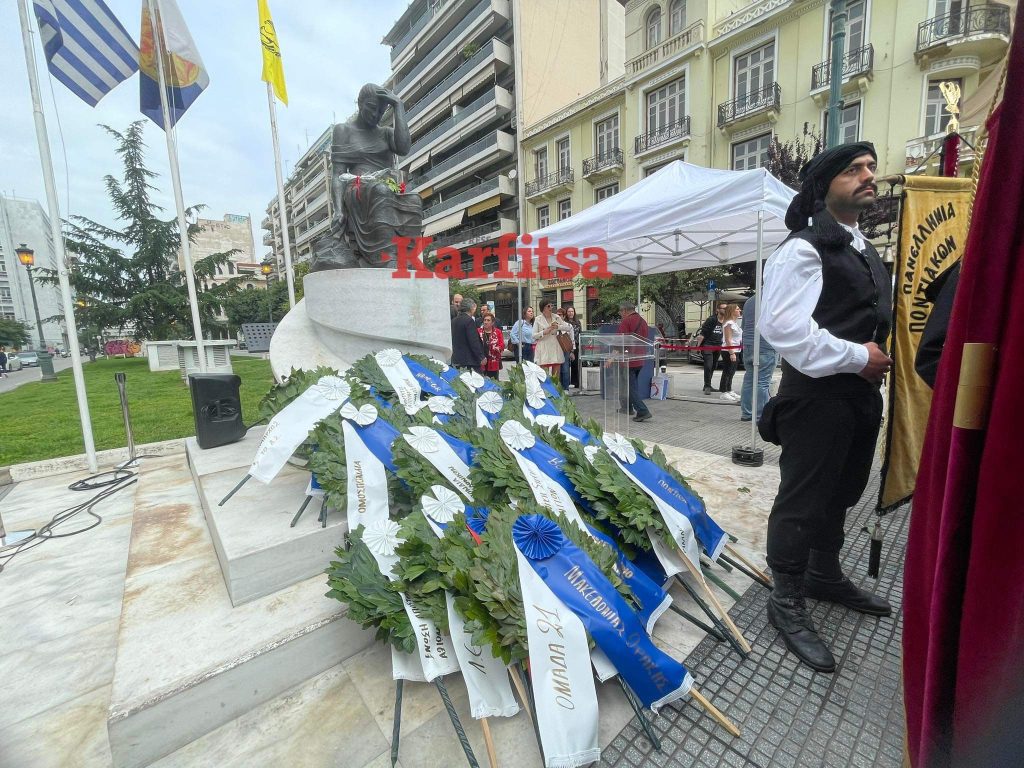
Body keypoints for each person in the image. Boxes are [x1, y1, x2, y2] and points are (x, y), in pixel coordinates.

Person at [759, 141, 893, 673]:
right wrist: (858, 355)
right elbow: (784, 329)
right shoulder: (804, 248)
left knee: (843, 490)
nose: (868, 176)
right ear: (824, 184)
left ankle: (824, 574)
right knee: (802, 500)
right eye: (855, 170)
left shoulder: (862, 248)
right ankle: (785, 598)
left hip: (858, 398)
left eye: (871, 169)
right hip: (816, 400)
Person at [608, 300, 652, 422]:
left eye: (620, 311)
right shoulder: (643, 321)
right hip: (639, 359)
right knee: (630, 385)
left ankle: (643, 411)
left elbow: (619, 342)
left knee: (629, 387)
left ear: (625, 310)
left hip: (627, 361)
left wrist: (611, 358)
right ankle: (626, 408)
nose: (620, 314)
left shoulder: (626, 321)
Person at [739, 294, 779, 422]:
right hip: (766, 345)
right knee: (762, 382)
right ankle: (760, 415)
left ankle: (746, 413)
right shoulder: (773, 298)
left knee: (749, 379)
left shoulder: (749, 301)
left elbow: (743, 325)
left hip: (749, 345)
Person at [695, 303, 727, 395]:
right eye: (724, 308)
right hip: (708, 345)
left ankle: (707, 385)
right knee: (708, 365)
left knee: (713, 366)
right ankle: (707, 386)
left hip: (718, 346)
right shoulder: (712, 319)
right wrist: (698, 347)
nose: (725, 310)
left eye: (727, 308)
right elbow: (703, 333)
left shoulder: (726, 320)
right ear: (718, 310)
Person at [533, 300, 571, 380]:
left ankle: (555, 391)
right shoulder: (538, 319)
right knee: (544, 376)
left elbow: (568, 328)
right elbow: (533, 335)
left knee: (556, 377)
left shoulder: (556, 317)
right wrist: (543, 332)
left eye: (551, 306)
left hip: (555, 346)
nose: (551, 308)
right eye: (548, 306)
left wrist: (558, 327)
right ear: (543, 308)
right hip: (543, 347)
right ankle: (545, 391)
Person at [450, 297, 486, 373]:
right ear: (472, 308)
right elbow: (473, 341)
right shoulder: (469, 321)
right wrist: (481, 357)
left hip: (457, 359)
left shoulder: (453, 321)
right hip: (469, 361)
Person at [718, 304, 742, 400]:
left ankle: (729, 389)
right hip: (729, 350)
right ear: (732, 311)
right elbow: (728, 339)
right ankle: (723, 392)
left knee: (732, 371)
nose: (739, 310)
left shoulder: (734, 323)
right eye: (737, 309)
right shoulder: (729, 323)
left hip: (736, 349)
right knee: (727, 371)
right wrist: (731, 352)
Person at [478, 312, 505, 379]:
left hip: (493, 361)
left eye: (488, 320)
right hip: (481, 360)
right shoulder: (478, 331)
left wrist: (498, 348)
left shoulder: (498, 332)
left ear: (492, 323)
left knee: (494, 381)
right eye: (484, 320)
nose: (486, 322)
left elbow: (502, 344)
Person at [564, 305, 583, 389]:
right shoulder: (565, 323)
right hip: (567, 344)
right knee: (566, 364)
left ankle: (576, 382)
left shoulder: (578, 322)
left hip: (576, 344)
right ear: (566, 313)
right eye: (569, 311)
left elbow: (580, 333)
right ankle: (566, 382)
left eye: (572, 311)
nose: (571, 313)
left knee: (575, 364)